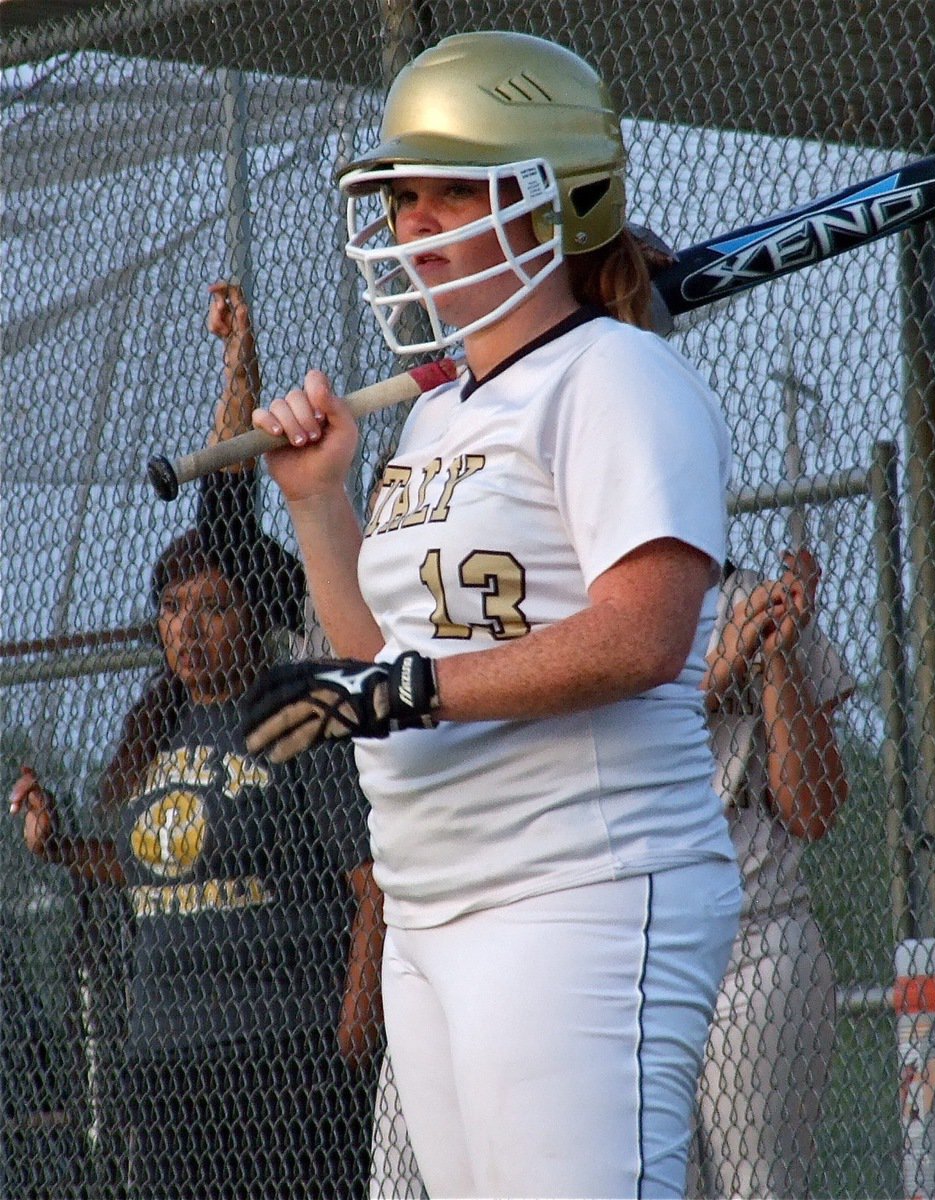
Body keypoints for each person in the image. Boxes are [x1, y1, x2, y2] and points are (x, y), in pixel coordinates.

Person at [240, 31, 742, 1199]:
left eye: (446, 194)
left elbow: (642, 635)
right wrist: (319, 505)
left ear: (548, 201)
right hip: (432, 903)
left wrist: (412, 690)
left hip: (578, 887)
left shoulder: (616, 376)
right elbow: (381, 669)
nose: (412, 227)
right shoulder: (437, 418)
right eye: (402, 198)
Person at [9, 281, 383, 1200]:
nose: (188, 627)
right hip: (173, 1056)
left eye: (211, 606)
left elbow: (227, 486)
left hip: (285, 1048)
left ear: (253, 609)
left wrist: (355, 1015)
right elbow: (155, 863)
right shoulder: (158, 729)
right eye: (172, 609)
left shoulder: (299, 696)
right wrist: (61, 849)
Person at [692, 548, 853, 1199]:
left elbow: (813, 811)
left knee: (762, 1187)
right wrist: (712, 676)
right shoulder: (582, 607)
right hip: (624, 948)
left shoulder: (751, 600)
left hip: (756, 938)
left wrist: (773, 658)